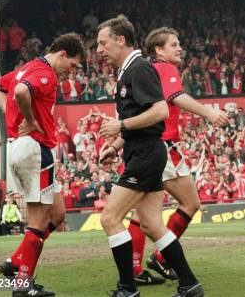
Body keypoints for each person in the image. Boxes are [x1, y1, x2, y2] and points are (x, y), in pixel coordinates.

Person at [95, 15, 203, 297]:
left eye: (102, 43)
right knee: (152, 224)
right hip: (143, 152)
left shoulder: (139, 68)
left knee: (110, 218)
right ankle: (189, 284)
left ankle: (127, 288)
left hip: (145, 154)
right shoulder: (129, 70)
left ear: (121, 40)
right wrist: (116, 145)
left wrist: (121, 126)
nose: (99, 50)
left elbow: (160, 111)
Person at [126, 27, 229, 286]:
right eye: (174, 44)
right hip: (162, 146)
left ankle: (136, 268)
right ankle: (160, 258)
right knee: (189, 203)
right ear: (159, 50)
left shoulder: (147, 70)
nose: (179, 47)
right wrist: (209, 113)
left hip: (150, 145)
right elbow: (176, 97)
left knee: (143, 212)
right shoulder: (164, 68)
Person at [0, 33, 84, 297]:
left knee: (57, 215)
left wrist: (13, 116)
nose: (73, 72)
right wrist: (29, 119)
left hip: (22, 148)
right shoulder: (46, 74)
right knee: (38, 219)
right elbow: (20, 92)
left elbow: (1, 85)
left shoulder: (26, 68)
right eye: (74, 65)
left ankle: (16, 261)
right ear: (63, 54)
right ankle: (23, 285)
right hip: (35, 148)